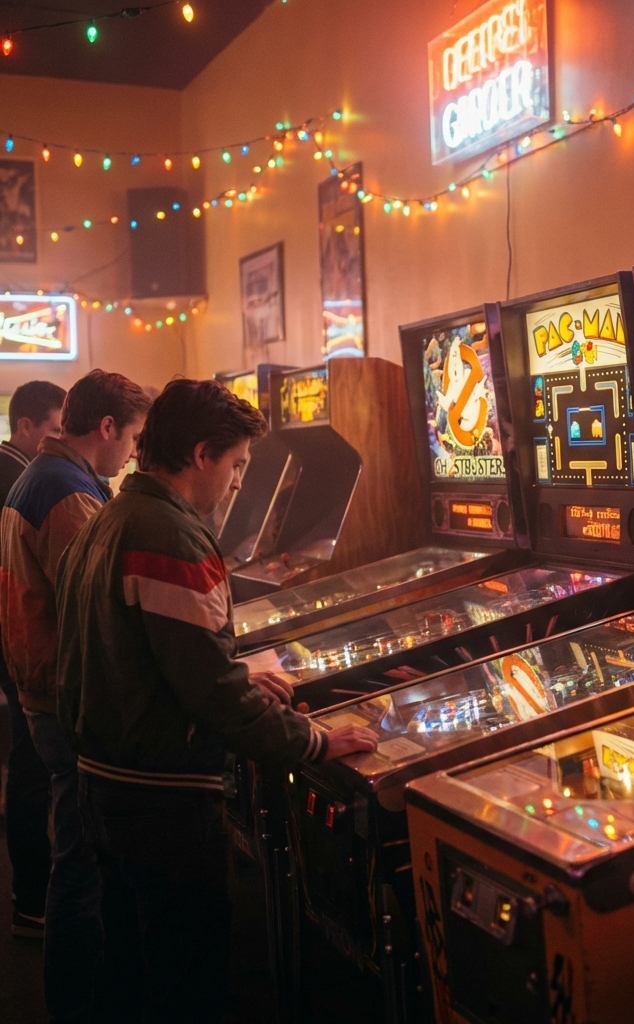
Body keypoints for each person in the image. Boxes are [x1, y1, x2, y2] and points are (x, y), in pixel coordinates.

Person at [56, 379, 378, 1023]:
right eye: (236, 466)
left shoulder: (111, 516)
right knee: (186, 982)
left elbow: (143, 657)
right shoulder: (169, 534)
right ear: (202, 454)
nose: (237, 484)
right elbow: (215, 699)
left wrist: (225, 673)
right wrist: (314, 740)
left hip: (107, 782)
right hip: (162, 800)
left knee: (124, 968)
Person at [0, 369, 151, 1023]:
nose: (135, 452)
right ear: (109, 428)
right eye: (136, 436)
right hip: (63, 694)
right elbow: (100, 605)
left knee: (78, 848)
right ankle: (77, 1000)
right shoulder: (67, 491)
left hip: (39, 684)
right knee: (83, 858)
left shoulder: (44, 474)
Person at [0, 380, 67, 939]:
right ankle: (31, 897)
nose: (59, 441)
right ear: (26, 426)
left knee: (29, 766)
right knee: (29, 768)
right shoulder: (17, 474)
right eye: (54, 429)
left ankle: (32, 893)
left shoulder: (22, 472)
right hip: (17, 639)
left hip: (13, 637)